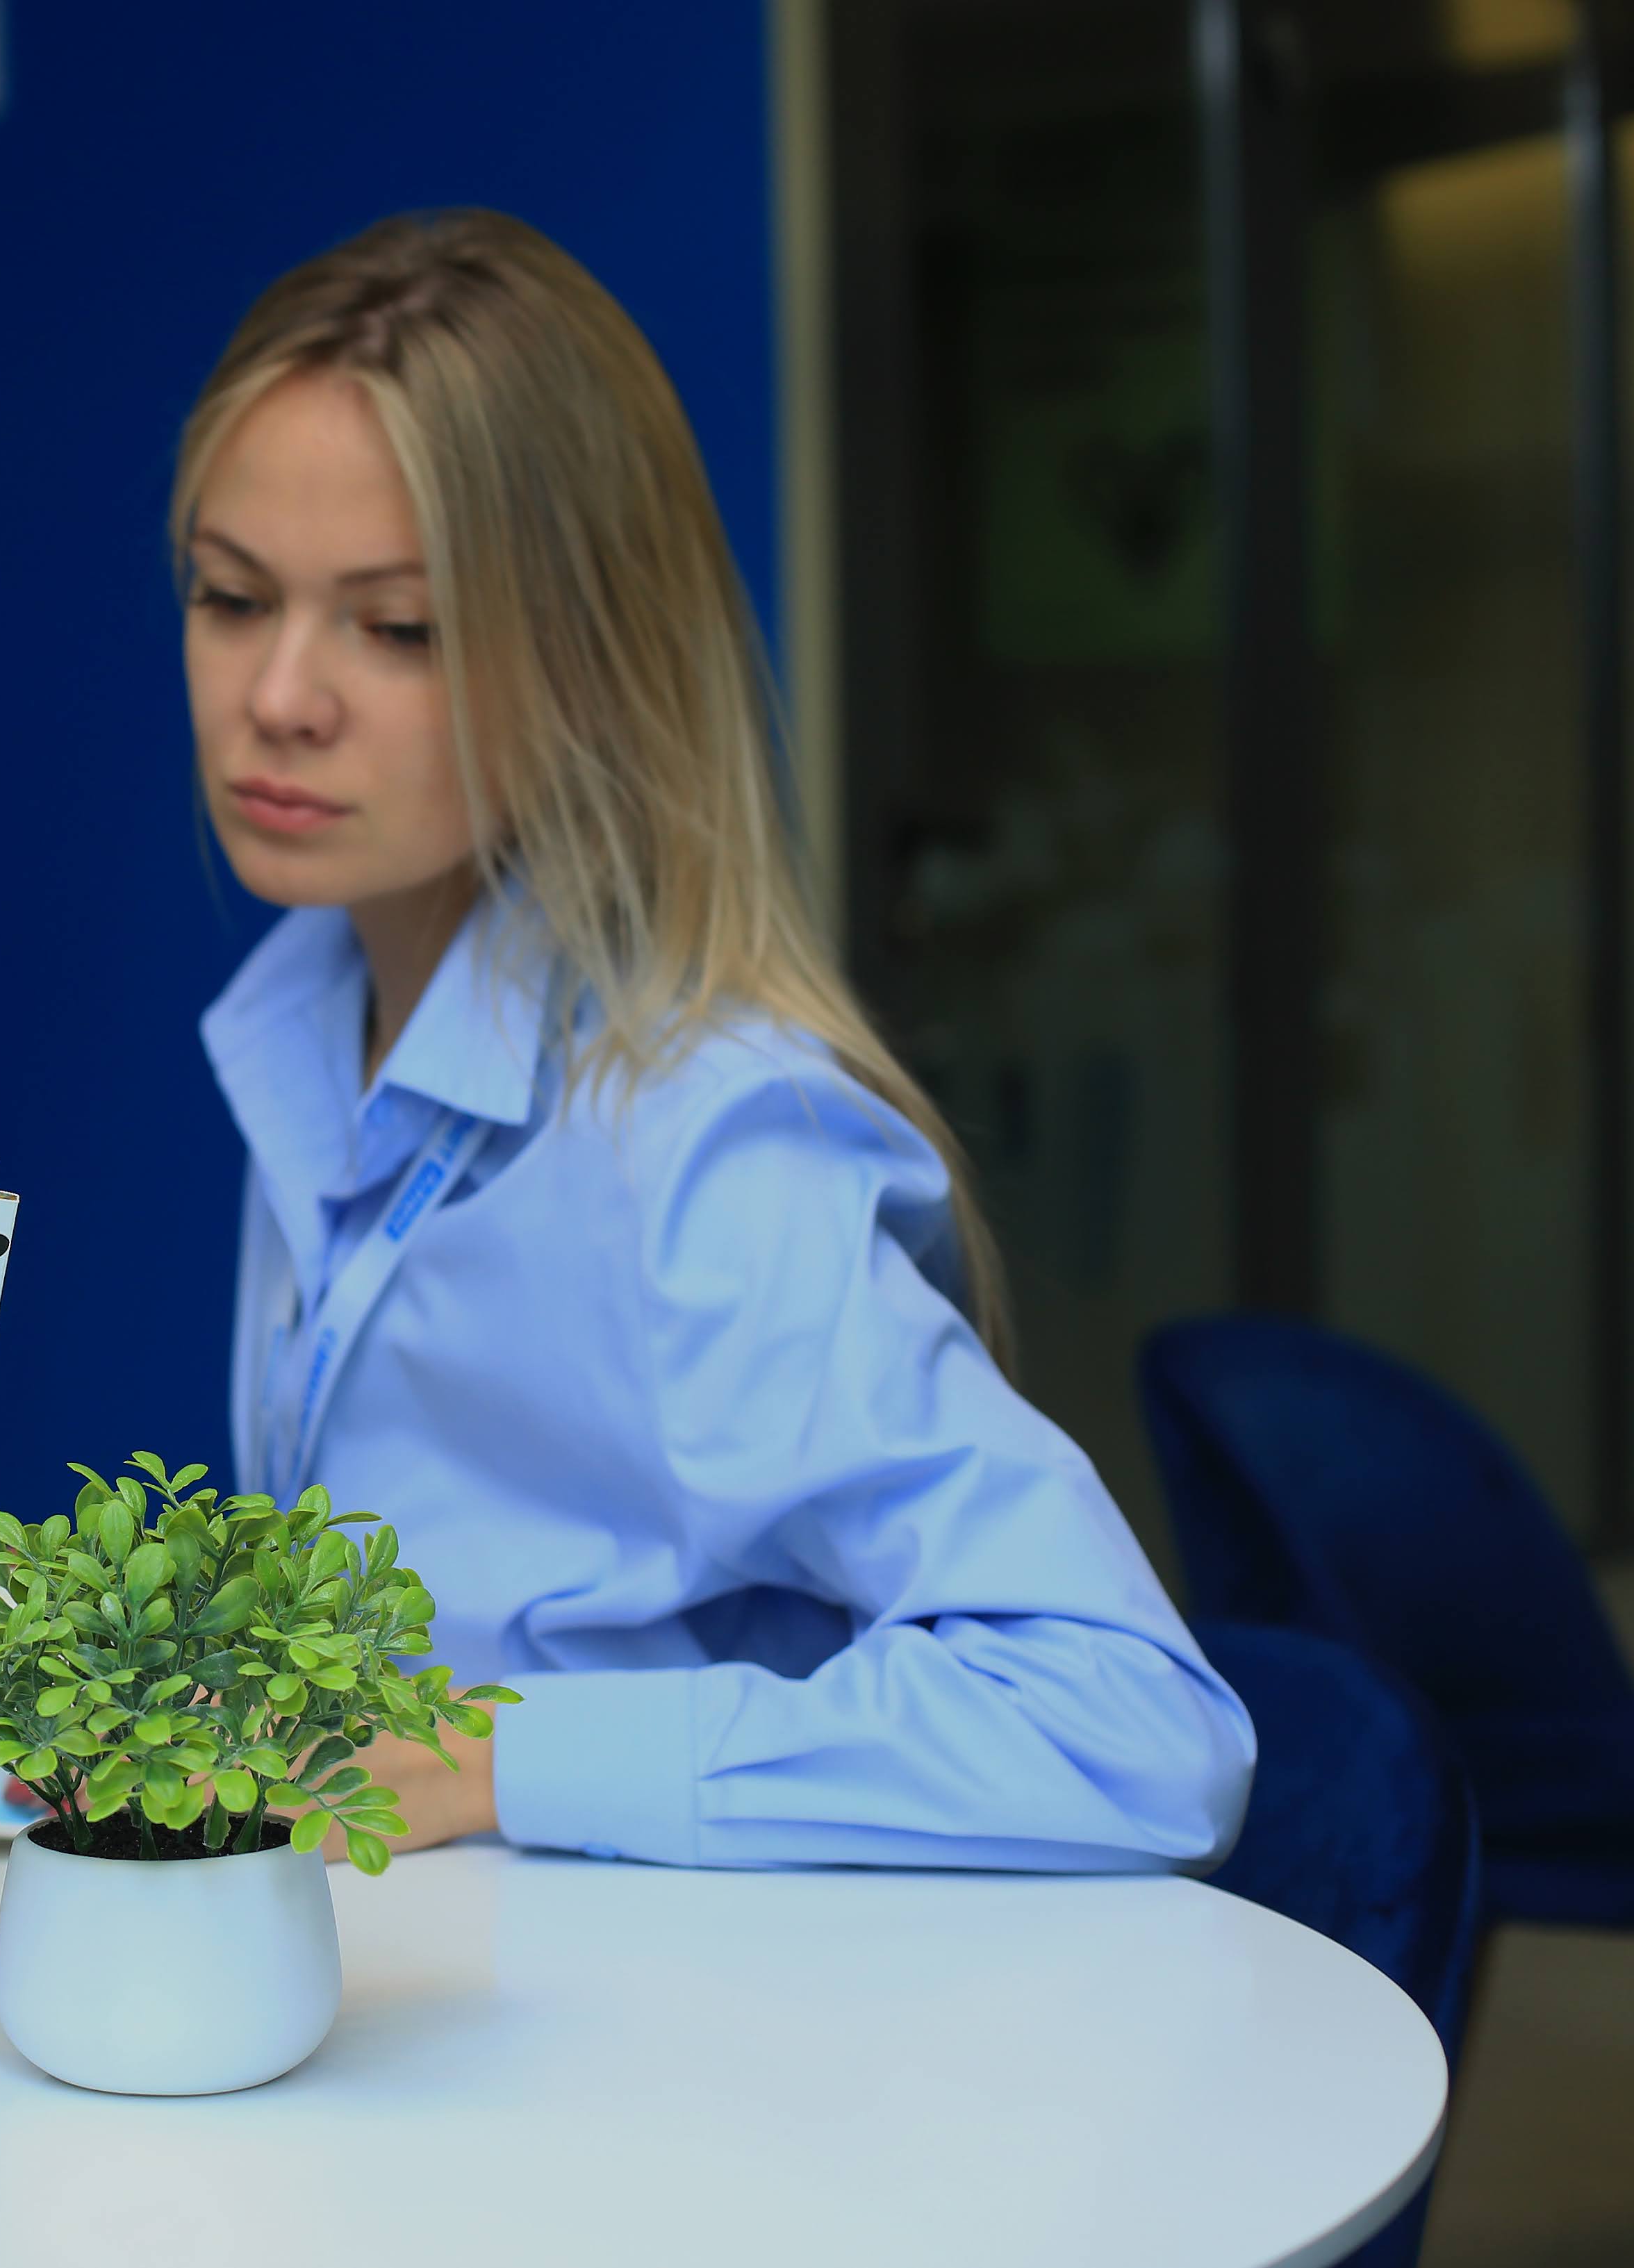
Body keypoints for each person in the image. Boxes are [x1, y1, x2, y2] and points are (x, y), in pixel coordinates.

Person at [177, 212, 1253, 1872]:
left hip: (677, 2018)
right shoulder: (314, 1034)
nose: (278, 697)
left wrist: (493, 1760)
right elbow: (447, 1617)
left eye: (397, 627)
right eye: (233, 597)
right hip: (422, 1979)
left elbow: (1132, 1726)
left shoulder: (701, 1144)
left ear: (588, 662)